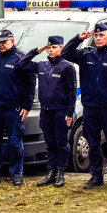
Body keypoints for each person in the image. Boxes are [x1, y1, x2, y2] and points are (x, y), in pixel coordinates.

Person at [62, 23, 107, 191]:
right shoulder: (87, 54)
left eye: (102, 36)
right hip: (90, 108)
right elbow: (65, 53)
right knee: (92, 144)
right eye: (97, 36)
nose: (99, 38)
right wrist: (78, 39)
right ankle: (96, 176)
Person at [0, 30, 35, 187]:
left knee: (15, 143)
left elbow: (31, 84)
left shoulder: (21, 59)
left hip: (13, 108)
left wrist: (27, 106)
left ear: (12, 41)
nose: (1, 45)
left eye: (4, 42)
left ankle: (16, 173)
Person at [19, 36, 77, 188]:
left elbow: (71, 92)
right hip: (45, 111)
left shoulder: (67, 67)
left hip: (60, 111)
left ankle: (60, 172)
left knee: (61, 143)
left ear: (61, 48)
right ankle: (51, 171)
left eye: (54, 48)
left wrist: (69, 112)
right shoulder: (41, 65)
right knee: (50, 142)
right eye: (49, 48)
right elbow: (22, 64)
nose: (51, 50)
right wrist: (36, 51)